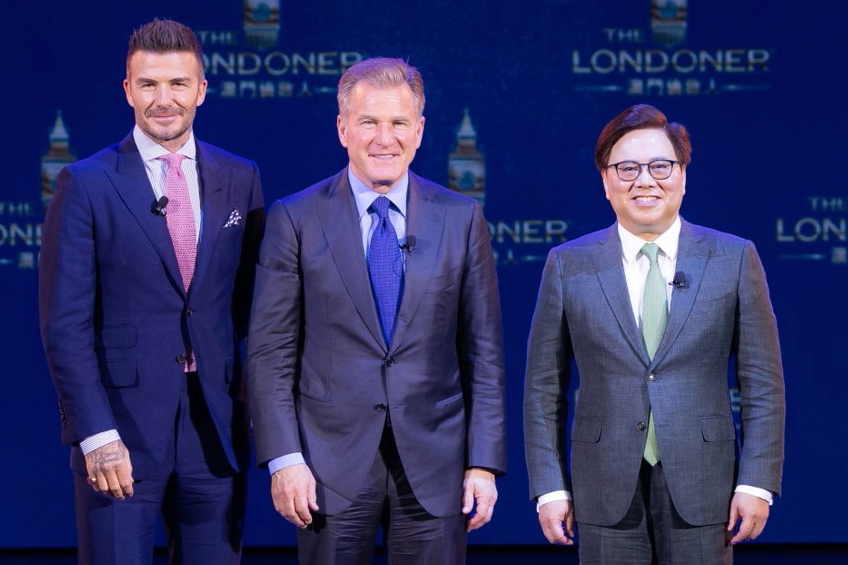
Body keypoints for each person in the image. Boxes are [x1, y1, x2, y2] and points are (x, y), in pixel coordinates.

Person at [246, 57, 506, 564]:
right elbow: (270, 354)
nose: (384, 138)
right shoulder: (295, 218)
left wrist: (483, 463)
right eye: (369, 122)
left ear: (420, 130)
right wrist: (284, 458)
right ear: (343, 128)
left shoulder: (462, 218)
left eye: (398, 123)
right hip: (326, 466)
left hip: (436, 463)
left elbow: (485, 354)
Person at [39, 19, 264, 565]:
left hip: (214, 434)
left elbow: (255, 310)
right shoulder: (86, 182)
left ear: (201, 90)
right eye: (148, 85)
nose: (164, 100)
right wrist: (94, 434)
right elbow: (64, 325)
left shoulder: (241, 177)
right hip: (120, 433)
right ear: (127, 91)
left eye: (178, 84)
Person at [523, 104, 785, 564]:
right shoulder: (567, 264)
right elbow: (543, 389)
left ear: (683, 174)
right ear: (606, 181)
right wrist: (549, 487)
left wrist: (756, 481)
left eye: (660, 166)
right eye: (626, 168)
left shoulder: (733, 258)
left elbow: (762, 383)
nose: (645, 181)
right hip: (602, 486)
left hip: (705, 485)